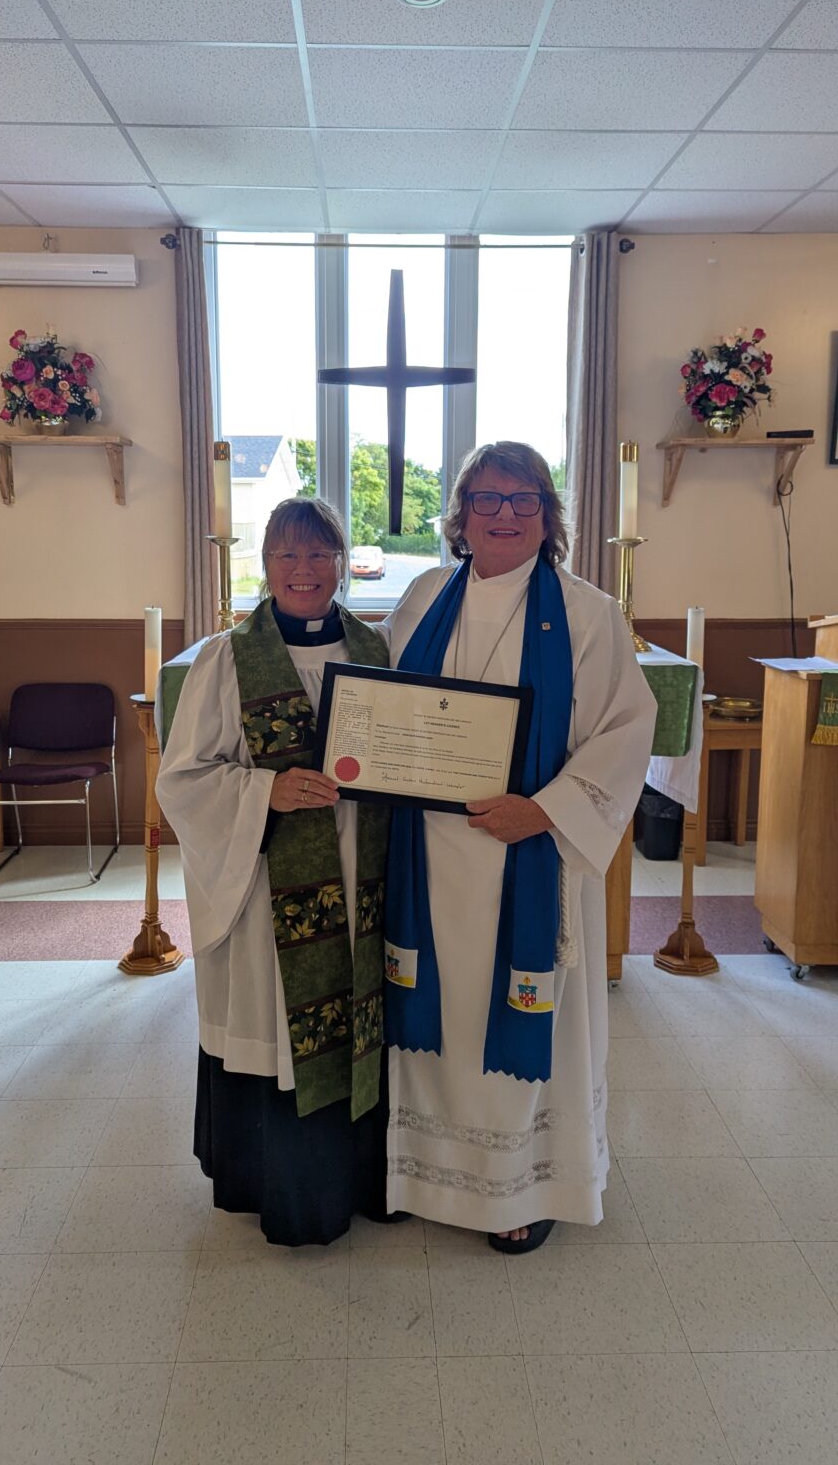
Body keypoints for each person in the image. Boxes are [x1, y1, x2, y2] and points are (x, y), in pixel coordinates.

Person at [382, 441, 657, 1253]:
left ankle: (519, 1187)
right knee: (432, 1006)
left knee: (513, 1010)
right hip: (427, 853)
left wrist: (544, 810)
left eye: (524, 499)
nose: (504, 514)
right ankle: (420, 1171)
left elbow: (623, 731)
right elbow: (390, 708)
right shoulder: (425, 593)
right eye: (487, 499)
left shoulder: (587, 612)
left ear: (549, 515)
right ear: (461, 514)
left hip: (525, 854)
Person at [156, 498, 392, 1246]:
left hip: (359, 882)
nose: (303, 570)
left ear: (340, 563)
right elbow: (184, 779)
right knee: (277, 1028)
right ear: (266, 564)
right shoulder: (228, 657)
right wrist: (267, 791)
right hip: (268, 892)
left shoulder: (375, 650)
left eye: (319, 554)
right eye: (287, 555)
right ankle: (287, 1193)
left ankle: (364, 1182)